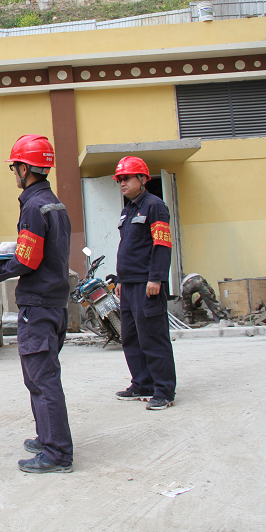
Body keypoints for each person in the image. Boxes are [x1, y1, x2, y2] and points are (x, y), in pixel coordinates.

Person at [0, 135, 74, 474]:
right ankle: (47, 437)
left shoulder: (32, 206)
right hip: (54, 303)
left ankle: (57, 454)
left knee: (42, 380)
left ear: (25, 168)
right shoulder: (55, 203)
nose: (14, 173)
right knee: (42, 377)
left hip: (38, 306)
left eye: (15, 167)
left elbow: (27, 259)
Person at [112, 156, 177, 410]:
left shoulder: (155, 206)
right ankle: (142, 383)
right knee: (131, 337)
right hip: (128, 285)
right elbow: (128, 247)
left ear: (142, 179)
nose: (122, 183)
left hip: (146, 284)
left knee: (153, 337)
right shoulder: (127, 210)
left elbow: (161, 245)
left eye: (126, 178)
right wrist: (120, 279)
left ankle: (164, 390)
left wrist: (156, 277)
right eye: (119, 180)